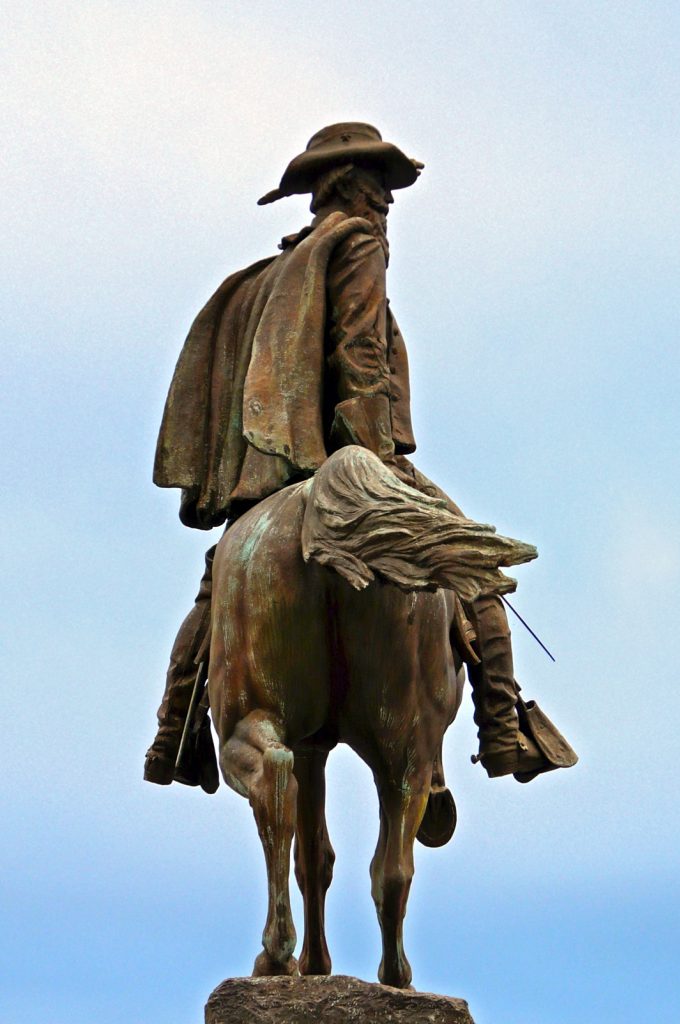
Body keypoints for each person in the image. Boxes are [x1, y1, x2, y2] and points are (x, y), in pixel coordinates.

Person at [144, 123, 575, 792]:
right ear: (359, 190)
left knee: (216, 590)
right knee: (476, 571)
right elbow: (359, 355)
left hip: (269, 475)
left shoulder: (272, 271)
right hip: (350, 451)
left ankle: (174, 730)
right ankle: (502, 726)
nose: (386, 206)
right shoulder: (360, 244)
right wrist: (369, 455)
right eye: (381, 190)